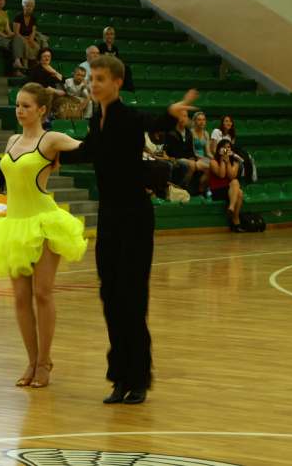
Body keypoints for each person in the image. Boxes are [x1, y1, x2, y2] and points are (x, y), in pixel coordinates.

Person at [60, 56, 197, 404]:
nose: (94, 84)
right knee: (110, 297)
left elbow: (151, 122)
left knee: (132, 299)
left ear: (117, 82)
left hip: (135, 217)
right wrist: (46, 151)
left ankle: (138, 379)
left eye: (101, 78)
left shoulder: (127, 116)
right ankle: (119, 377)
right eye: (92, 78)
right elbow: (88, 151)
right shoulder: (98, 120)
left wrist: (171, 114)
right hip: (109, 217)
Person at [0, 82, 88, 389]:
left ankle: (44, 361)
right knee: (20, 298)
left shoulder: (50, 139)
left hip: (43, 223)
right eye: (18, 105)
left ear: (42, 110)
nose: (20, 110)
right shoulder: (12, 140)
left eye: (26, 106)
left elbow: (85, 148)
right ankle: (31, 361)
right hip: (14, 225)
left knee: (42, 293)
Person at [164, 110, 207, 189]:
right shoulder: (171, 132)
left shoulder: (188, 133)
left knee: (208, 166)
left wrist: (192, 157)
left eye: (186, 116)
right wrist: (188, 159)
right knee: (192, 165)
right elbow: (170, 152)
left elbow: (191, 150)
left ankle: (201, 189)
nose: (184, 118)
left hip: (188, 159)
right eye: (182, 116)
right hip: (176, 159)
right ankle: (182, 187)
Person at [209, 139, 244, 230]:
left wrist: (228, 162)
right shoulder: (213, 162)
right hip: (218, 190)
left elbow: (231, 176)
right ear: (219, 149)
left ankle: (232, 212)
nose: (226, 149)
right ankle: (235, 219)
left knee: (238, 189)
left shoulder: (235, 162)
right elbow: (222, 175)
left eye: (228, 147)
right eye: (224, 147)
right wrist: (222, 160)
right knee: (238, 191)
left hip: (231, 190)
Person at [12, 0, 48, 68]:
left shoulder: (33, 18)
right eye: (27, 6)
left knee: (37, 47)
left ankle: (38, 64)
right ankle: (25, 65)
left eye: (31, 6)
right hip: (20, 37)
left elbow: (33, 31)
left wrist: (31, 40)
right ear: (23, 6)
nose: (29, 8)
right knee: (26, 46)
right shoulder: (18, 17)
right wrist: (25, 40)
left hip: (29, 37)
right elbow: (16, 32)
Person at [95, 27, 134, 92]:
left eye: (111, 34)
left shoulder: (115, 48)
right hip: (104, 67)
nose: (109, 36)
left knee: (126, 68)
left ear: (114, 36)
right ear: (104, 36)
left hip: (113, 67)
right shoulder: (100, 47)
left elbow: (117, 60)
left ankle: (128, 90)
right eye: (107, 34)